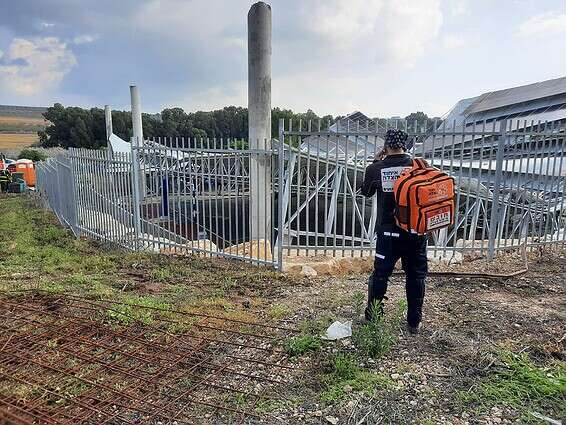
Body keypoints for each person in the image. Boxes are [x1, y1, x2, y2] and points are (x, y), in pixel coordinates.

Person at [360, 129, 427, 334]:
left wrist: (375, 162)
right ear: (405, 145)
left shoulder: (376, 168)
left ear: (385, 145)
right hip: (416, 231)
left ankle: (373, 318)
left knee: (380, 275)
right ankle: (414, 323)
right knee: (416, 276)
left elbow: (366, 192)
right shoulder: (418, 166)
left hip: (388, 233)